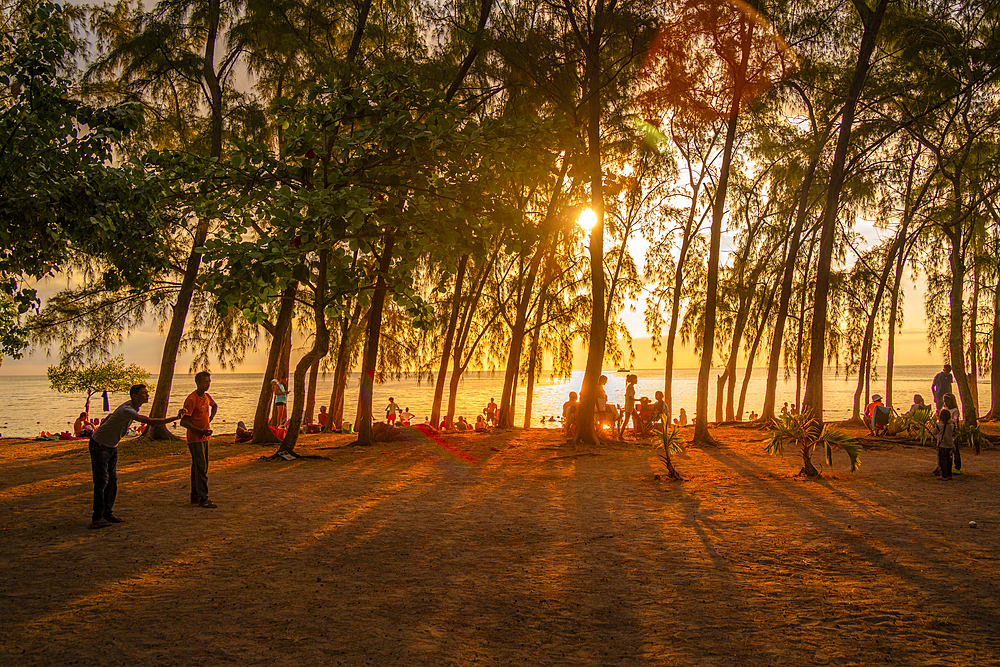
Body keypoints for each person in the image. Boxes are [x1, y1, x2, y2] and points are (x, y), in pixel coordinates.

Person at [87, 385, 184, 529]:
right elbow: (151, 422)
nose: (147, 395)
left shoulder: (130, 408)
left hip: (111, 446)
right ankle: (97, 517)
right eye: (143, 393)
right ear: (134, 395)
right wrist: (175, 417)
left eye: (146, 393)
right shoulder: (127, 409)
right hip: (99, 444)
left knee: (112, 480)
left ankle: (107, 513)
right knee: (102, 481)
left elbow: (111, 417)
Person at [180, 371, 218, 509]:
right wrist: (200, 430)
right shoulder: (191, 399)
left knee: (199, 466)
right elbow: (184, 422)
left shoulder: (207, 397)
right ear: (197, 382)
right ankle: (203, 498)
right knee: (200, 467)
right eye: (204, 381)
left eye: (208, 381)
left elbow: (214, 405)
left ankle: (195, 495)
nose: (207, 384)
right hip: (195, 439)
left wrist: (210, 419)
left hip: (204, 437)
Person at [932, 409, 956, 480]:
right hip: (950, 445)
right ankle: (949, 474)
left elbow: (934, 432)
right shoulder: (952, 426)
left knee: (942, 460)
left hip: (942, 445)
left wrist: (933, 427)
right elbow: (954, 433)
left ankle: (944, 475)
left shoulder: (939, 426)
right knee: (949, 460)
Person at [943, 393, 962, 474]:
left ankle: (957, 467)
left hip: (953, 432)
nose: (946, 403)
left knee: (955, 450)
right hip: (945, 431)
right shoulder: (944, 409)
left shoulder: (955, 411)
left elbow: (955, 420)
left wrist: (947, 419)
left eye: (947, 401)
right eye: (945, 402)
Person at [619, 374, 638, 439]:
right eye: (635, 379)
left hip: (631, 406)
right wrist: (639, 400)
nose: (636, 380)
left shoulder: (630, 387)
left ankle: (640, 434)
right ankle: (620, 435)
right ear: (633, 380)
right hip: (629, 406)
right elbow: (630, 397)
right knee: (626, 420)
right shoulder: (631, 387)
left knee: (638, 419)